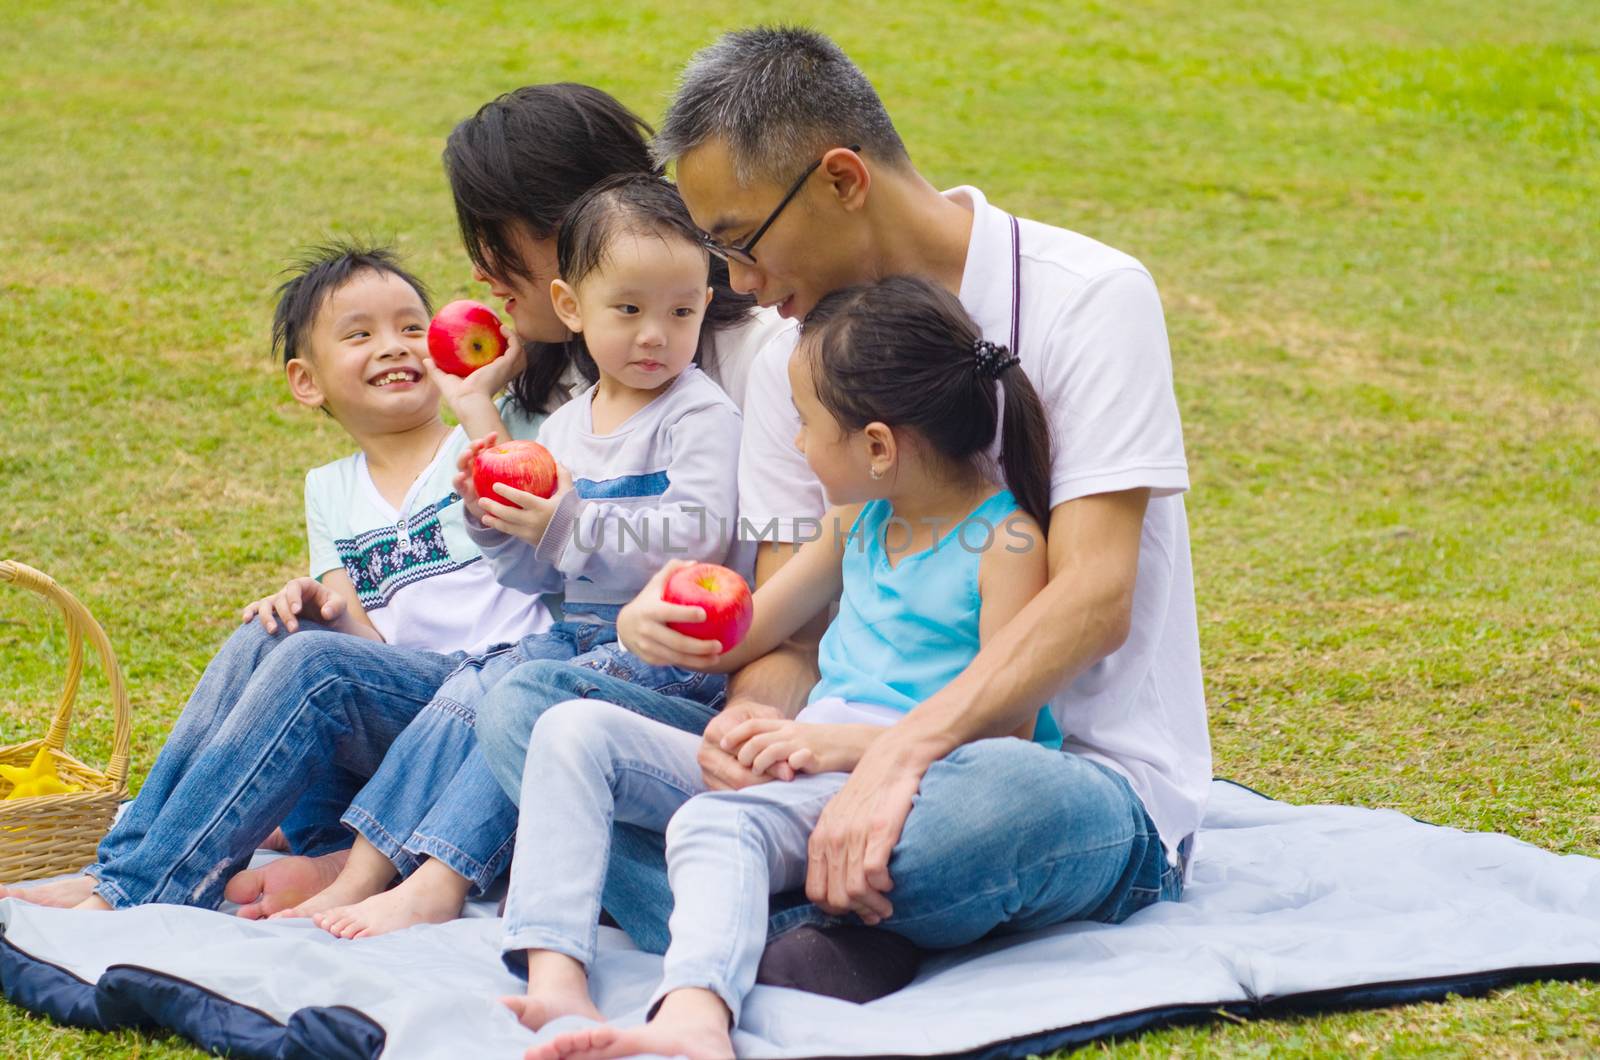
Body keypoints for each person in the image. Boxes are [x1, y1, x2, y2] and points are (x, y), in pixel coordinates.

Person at [482, 25, 1210, 1002]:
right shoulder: (801, 354)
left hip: (1052, 773)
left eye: (740, 242)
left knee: (983, 814)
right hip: (833, 753)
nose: (741, 287)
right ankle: (790, 915)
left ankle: (742, 909)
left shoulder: (1089, 300)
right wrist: (747, 743)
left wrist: (899, 754)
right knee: (530, 714)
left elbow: (1091, 597)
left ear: (840, 180)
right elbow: (794, 631)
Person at [502, 276, 1064, 1060]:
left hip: (892, 786)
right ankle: (555, 971)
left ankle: (696, 1015)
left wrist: (835, 748)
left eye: (806, 425)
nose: (796, 446)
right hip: (796, 762)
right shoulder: (857, 522)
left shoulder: (1007, 545)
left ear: (876, 445)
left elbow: (1008, 732)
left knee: (714, 822)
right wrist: (645, 621)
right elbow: (744, 634)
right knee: (568, 731)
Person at [0, 242, 554, 912]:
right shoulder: (329, 489)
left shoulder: (481, 433)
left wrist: (476, 401)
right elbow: (366, 646)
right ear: (307, 381)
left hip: (485, 692)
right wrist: (323, 607)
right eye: (359, 333)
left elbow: (523, 510)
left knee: (314, 662)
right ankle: (120, 866)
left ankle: (138, 888)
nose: (394, 346)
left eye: (412, 327)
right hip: (401, 701)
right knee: (274, 633)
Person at [271, 174, 748, 938]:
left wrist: (562, 523)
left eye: (681, 312)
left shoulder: (699, 415)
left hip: (667, 653)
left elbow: (695, 542)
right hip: (580, 635)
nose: (656, 335)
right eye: (628, 311)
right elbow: (534, 575)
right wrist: (493, 520)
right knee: (469, 688)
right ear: (571, 308)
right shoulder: (561, 431)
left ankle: (441, 878)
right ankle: (365, 870)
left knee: (520, 697)